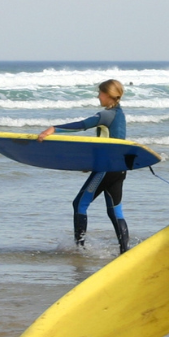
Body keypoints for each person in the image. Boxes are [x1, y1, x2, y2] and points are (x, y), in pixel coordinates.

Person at [39, 79, 131, 253]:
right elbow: (108, 143)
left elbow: (81, 125)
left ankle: (79, 248)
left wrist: (53, 129)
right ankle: (124, 251)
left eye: (100, 93)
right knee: (115, 211)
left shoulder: (106, 115)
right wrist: (92, 163)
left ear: (108, 94)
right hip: (119, 168)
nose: (98, 96)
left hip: (106, 169)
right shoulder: (120, 115)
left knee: (79, 204)